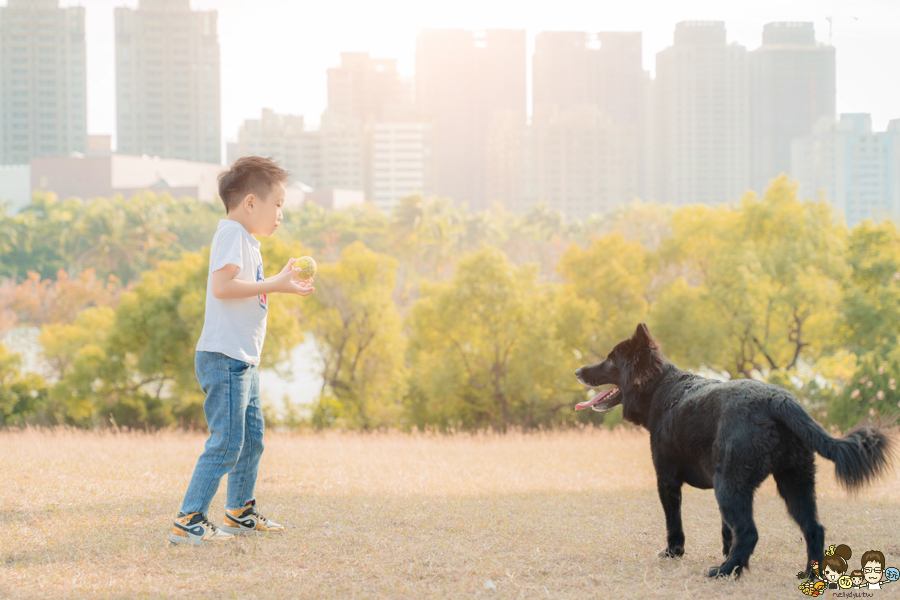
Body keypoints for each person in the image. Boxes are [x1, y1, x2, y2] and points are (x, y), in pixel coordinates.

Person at [169, 156, 314, 545]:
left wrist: (278, 282)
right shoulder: (232, 234)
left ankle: (239, 511)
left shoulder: (246, 240)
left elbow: (242, 294)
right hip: (224, 358)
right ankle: (190, 519)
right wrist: (277, 285)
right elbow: (222, 287)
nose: (281, 214)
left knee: (251, 440)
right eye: (278, 204)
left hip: (242, 359)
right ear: (251, 203)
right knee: (227, 442)